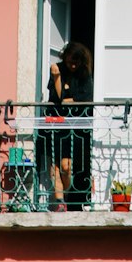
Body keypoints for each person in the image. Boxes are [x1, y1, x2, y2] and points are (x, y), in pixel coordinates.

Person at [43, 42, 93, 210]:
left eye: (76, 62)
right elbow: (58, 99)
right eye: (70, 61)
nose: (72, 65)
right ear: (65, 58)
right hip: (56, 124)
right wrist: (57, 78)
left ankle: (66, 196)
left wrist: (69, 99)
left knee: (66, 166)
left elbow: (84, 100)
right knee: (54, 166)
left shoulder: (84, 75)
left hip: (74, 127)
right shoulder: (57, 70)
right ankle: (59, 202)